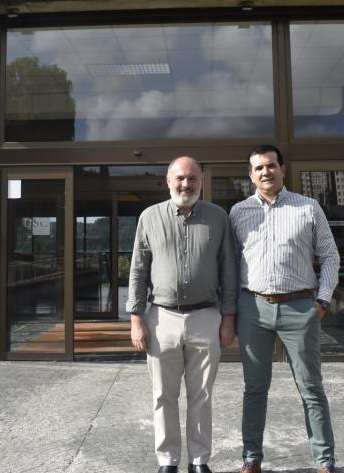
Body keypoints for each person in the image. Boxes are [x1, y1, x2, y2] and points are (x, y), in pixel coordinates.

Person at [229, 144, 341, 473]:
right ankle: (251, 459)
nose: (266, 172)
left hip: (300, 307)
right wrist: (233, 311)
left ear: (283, 169)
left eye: (271, 166)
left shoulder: (308, 208)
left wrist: (322, 300)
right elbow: (232, 265)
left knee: (311, 388)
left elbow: (331, 256)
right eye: (259, 168)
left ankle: (325, 461)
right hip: (254, 307)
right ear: (250, 175)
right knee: (254, 389)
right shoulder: (238, 213)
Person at [128, 156, 238, 473]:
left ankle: (200, 459)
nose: (185, 184)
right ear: (168, 181)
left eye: (192, 178)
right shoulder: (149, 217)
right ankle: (167, 460)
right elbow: (137, 270)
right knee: (163, 394)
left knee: (201, 395)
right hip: (161, 318)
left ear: (201, 181)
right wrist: (136, 317)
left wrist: (228, 318)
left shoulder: (218, 217)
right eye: (179, 178)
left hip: (207, 316)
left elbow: (228, 270)